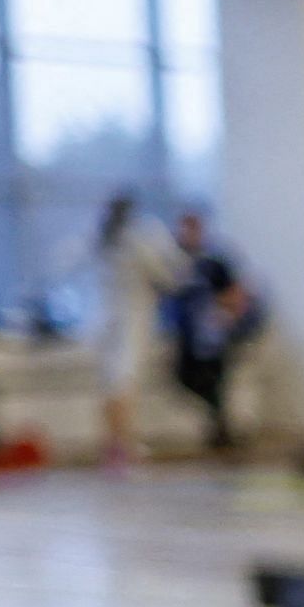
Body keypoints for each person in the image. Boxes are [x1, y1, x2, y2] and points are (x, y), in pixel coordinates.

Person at [89, 192, 186, 466]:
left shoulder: (104, 238)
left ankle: (112, 446)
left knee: (109, 384)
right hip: (131, 318)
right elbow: (165, 276)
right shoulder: (137, 239)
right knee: (124, 382)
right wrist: (179, 275)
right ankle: (124, 447)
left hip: (105, 319)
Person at [166, 211, 265, 453]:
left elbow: (236, 292)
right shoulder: (175, 262)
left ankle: (221, 433)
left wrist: (228, 318)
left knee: (217, 384)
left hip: (214, 338)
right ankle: (220, 428)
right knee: (184, 377)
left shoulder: (214, 262)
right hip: (189, 339)